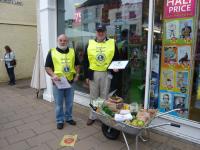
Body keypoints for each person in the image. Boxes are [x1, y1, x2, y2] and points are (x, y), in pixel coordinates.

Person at [84, 24, 120, 125]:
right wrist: (86, 76)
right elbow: (85, 61)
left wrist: (116, 67)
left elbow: (117, 58)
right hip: (93, 73)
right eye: (98, 31)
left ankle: (103, 116)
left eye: (102, 31)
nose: (100, 33)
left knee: (104, 96)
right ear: (96, 32)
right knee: (93, 96)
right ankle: (93, 115)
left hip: (106, 73)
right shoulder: (89, 43)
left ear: (105, 32)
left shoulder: (112, 43)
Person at [45, 34, 80, 129]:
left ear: (67, 42)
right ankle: (60, 120)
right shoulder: (52, 52)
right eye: (60, 40)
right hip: (58, 83)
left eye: (64, 40)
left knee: (69, 103)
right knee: (59, 104)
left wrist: (77, 75)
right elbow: (47, 67)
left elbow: (77, 65)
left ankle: (68, 118)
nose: (62, 42)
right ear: (57, 41)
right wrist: (53, 75)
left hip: (70, 82)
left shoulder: (72, 52)